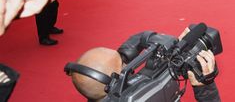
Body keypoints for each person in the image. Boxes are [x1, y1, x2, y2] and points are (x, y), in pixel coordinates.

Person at [68, 29, 221, 102]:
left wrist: (175, 48)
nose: (127, 62)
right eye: (122, 62)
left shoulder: (99, 92)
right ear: (114, 83)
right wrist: (205, 88)